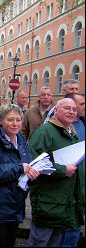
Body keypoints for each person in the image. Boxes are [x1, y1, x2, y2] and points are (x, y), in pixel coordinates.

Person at [0, 104, 40, 247]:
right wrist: (19, 169)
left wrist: (33, 175)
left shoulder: (21, 141)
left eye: (18, 120)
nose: (15, 124)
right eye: (10, 120)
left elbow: (26, 166)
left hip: (15, 206)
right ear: (0, 120)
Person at [27, 98, 84, 247]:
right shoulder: (44, 132)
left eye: (74, 109)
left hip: (64, 203)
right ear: (56, 110)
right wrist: (62, 170)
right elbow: (35, 164)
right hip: (48, 202)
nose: (71, 112)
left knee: (56, 242)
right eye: (67, 108)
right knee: (40, 242)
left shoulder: (72, 132)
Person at [59, 93, 85, 247]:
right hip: (68, 186)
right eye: (80, 104)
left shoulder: (83, 123)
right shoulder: (59, 128)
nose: (82, 108)